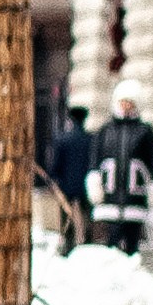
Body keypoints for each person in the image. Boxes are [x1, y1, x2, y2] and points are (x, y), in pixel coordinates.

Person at [86, 89, 153, 255]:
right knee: (111, 242)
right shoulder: (105, 130)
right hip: (110, 196)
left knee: (133, 242)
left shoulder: (144, 131)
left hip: (134, 196)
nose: (126, 106)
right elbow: (96, 159)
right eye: (123, 102)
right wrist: (95, 184)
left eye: (130, 102)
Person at [44, 101, 94, 253]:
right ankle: (88, 242)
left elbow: (55, 164)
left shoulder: (62, 139)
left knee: (66, 214)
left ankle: (68, 243)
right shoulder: (90, 139)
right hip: (86, 184)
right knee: (87, 214)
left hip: (66, 184)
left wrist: (53, 179)